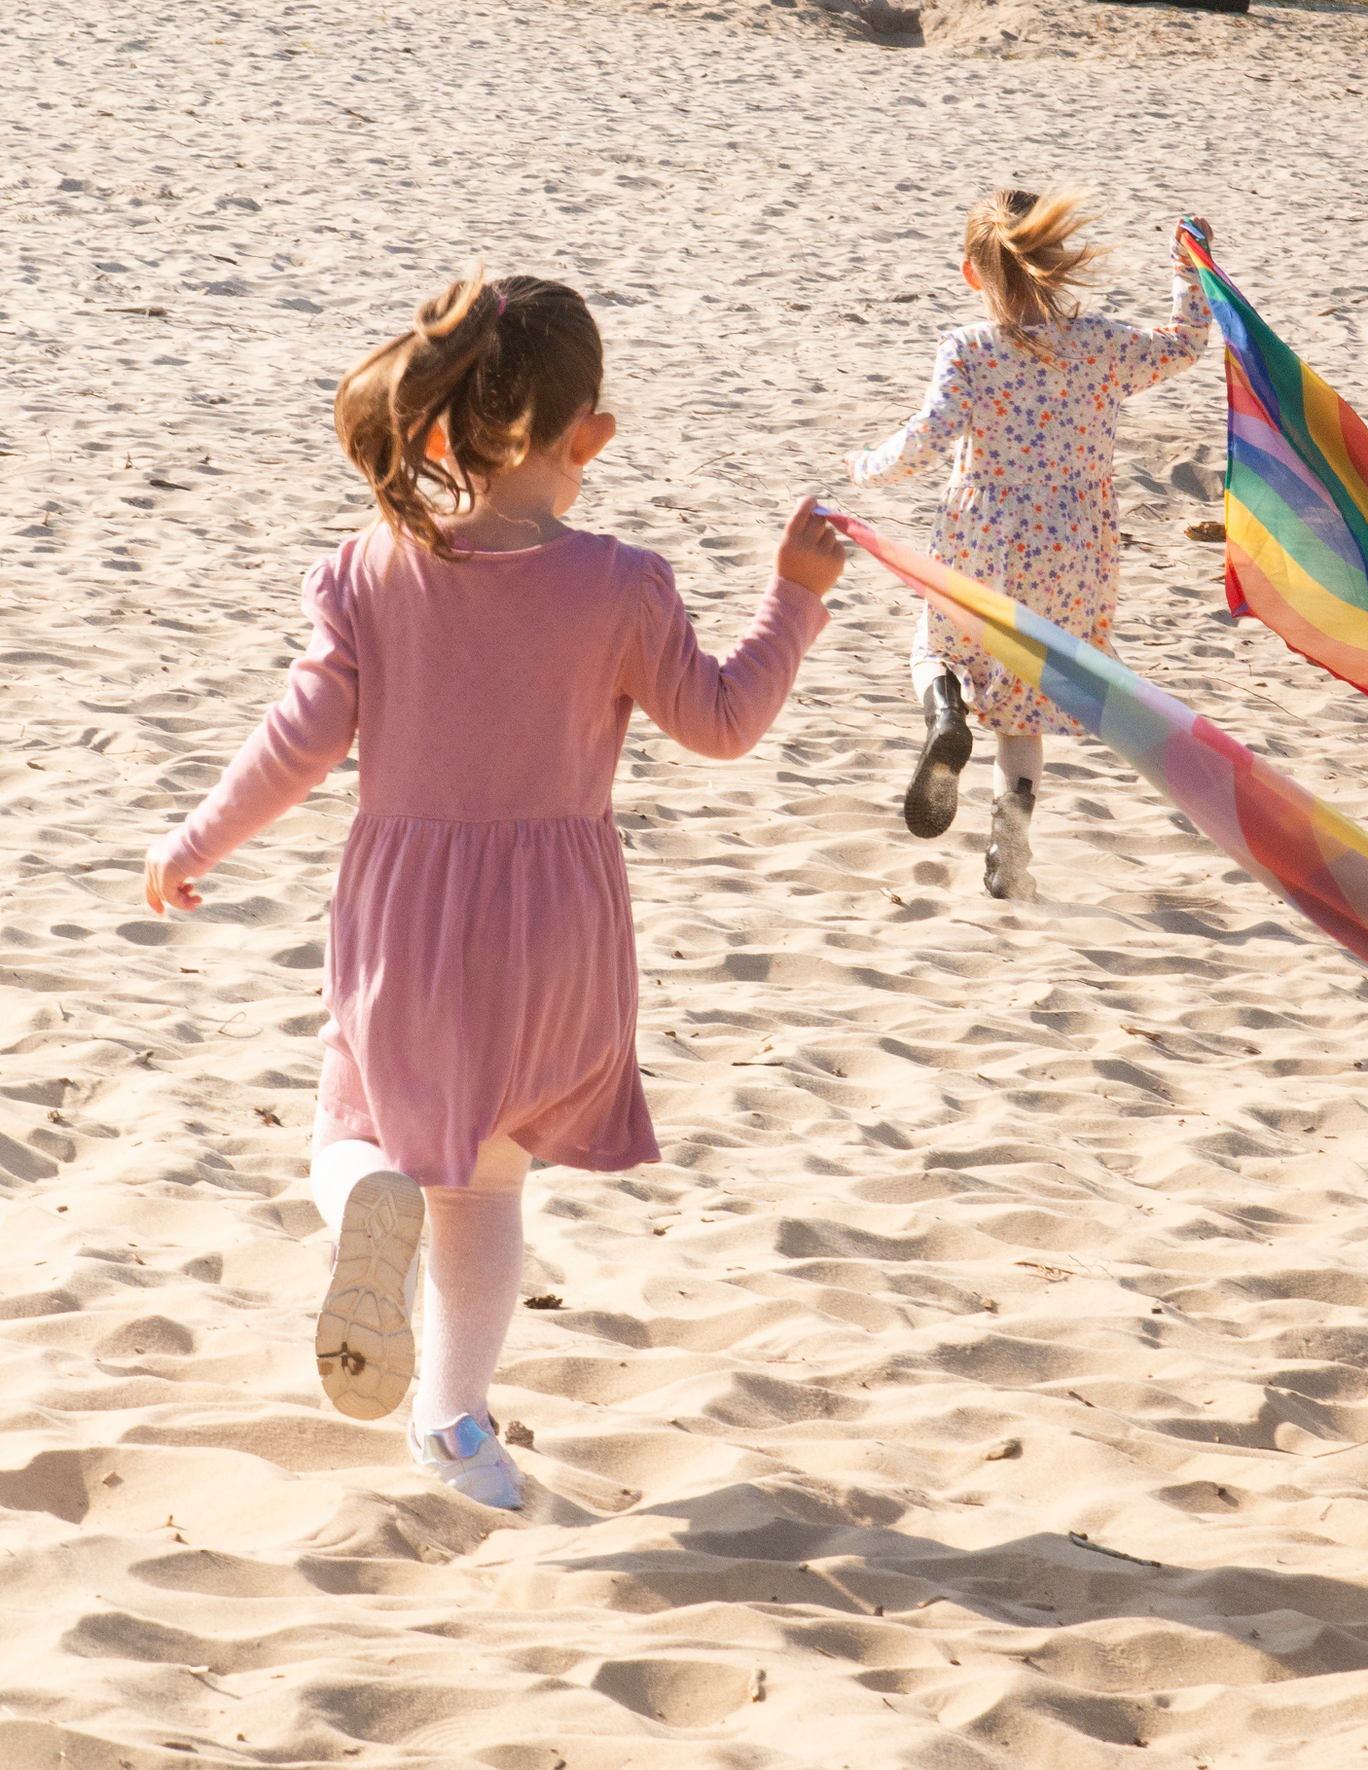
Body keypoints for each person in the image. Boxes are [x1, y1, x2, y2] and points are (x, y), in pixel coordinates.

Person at [143, 273, 843, 1508]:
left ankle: (368, 1199)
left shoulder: (368, 569)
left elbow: (293, 744)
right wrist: (794, 593)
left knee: (353, 1132)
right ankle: (456, 1427)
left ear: (432, 423)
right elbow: (723, 720)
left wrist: (192, 845)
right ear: (591, 437)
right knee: (490, 1181)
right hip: (558, 935)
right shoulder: (623, 583)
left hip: (407, 921)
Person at [846, 190, 1212, 900]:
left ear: (971, 275)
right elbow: (1185, 344)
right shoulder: (1102, 344)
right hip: (1076, 552)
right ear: (1055, 264)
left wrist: (870, 465)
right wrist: (1188, 267)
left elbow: (930, 435)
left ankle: (947, 713)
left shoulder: (970, 348)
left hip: (987, 535)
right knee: (1023, 705)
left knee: (936, 650)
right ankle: (1008, 850)